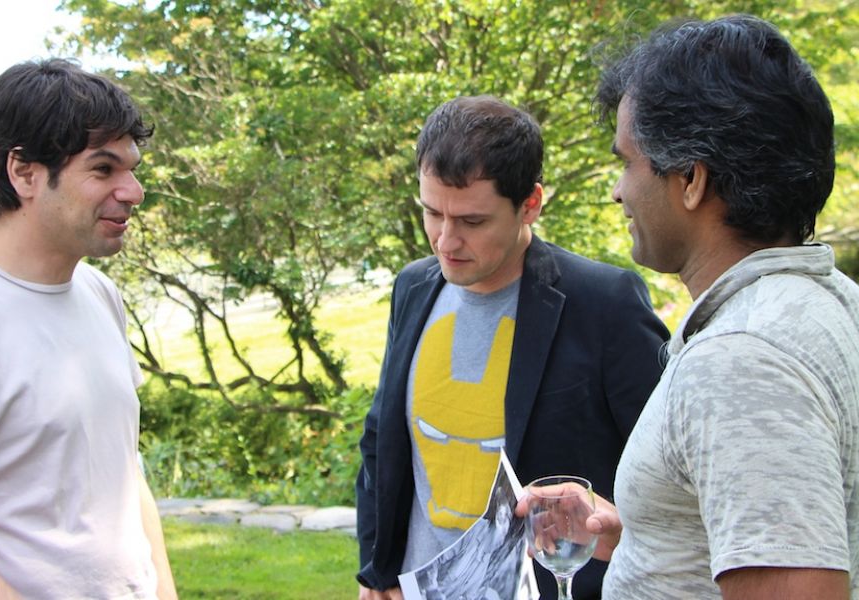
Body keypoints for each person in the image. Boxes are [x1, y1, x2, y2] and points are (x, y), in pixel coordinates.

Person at [519, 13, 858, 600]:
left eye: (627, 162)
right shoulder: (828, 302)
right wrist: (644, 530)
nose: (619, 191)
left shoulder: (741, 359)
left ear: (692, 180)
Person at [356, 95, 670, 600]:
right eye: (432, 213)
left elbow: (670, 473)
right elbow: (380, 441)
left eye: (472, 222)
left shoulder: (604, 304)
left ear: (531, 204)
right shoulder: (412, 287)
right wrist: (377, 573)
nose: (444, 241)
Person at [0, 59, 178, 599]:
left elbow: (126, 477)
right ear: (23, 172)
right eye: (103, 170)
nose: (134, 191)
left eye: (131, 169)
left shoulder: (99, 294)